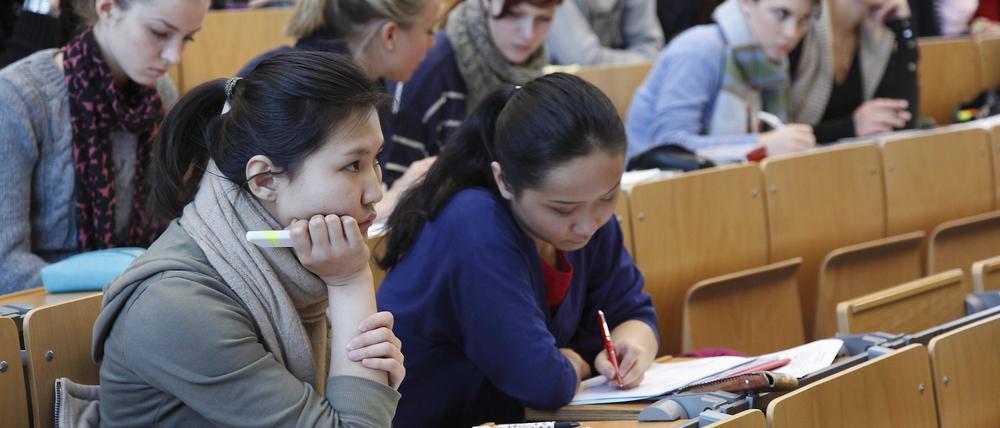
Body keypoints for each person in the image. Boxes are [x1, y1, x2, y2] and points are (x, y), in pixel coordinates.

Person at [92, 52, 404, 426]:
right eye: (353, 165)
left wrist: (367, 384)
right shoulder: (175, 304)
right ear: (264, 180)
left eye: (375, 160)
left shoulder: (292, 267)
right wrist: (350, 283)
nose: (375, 192)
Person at [377, 73, 658, 427]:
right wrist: (578, 363)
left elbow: (633, 312)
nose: (588, 224)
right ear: (504, 181)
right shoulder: (473, 222)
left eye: (608, 196)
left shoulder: (587, 212)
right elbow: (542, 382)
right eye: (562, 209)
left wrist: (632, 347)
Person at [0, 0, 208, 293]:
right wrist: (129, 287)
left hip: (138, 295)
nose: (174, 56)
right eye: (159, 32)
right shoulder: (18, 97)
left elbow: (173, 227)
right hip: (50, 310)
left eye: (187, 38)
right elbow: (6, 266)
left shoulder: (160, 93)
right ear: (108, 9)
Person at [239, 0, 441, 219]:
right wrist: (395, 199)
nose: (433, 43)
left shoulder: (371, 89)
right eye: (429, 30)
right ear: (390, 35)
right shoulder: (297, 90)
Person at [381, 0, 560, 187]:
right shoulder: (429, 66)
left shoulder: (532, 70)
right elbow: (395, 182)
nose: (528, 34)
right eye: (514, 15)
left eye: (544, 19)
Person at [625, 0, 819, 167]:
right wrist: (761, 144)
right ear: (746, 3)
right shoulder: (699, 49)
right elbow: (669, 147)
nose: (791, 33)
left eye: (804, 19)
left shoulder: (773, 63)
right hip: (656, 186)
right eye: (781, 14)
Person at [789, 0, 918, 142]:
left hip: (852, 155)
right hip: (800, 155)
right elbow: (779, 136)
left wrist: (903, 25)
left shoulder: (879, 31)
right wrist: (850, 128)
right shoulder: (800, 20)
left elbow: (901, 123)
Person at [544, 0, 664, 65]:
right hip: (559, 93)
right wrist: (643, 60)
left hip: (620, 87)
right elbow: (583, 60)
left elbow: (652, 51)